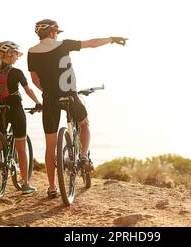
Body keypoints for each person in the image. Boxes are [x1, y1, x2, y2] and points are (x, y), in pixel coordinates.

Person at [27, 19, 127, 198]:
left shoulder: (31, 52)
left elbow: (35, 80)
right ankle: (82, 157)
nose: (57, 35)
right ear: (52, 32)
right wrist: (112, 39)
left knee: (50, 145)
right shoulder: (64, 45)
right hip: (70, 95)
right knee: (84, 124)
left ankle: (52, 188)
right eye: (56, 32)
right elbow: (92, 44)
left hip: (49, 99)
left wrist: (47, 92)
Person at [0, 41, 42, 194]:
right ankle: (25, 184)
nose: (17, 57)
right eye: (16, 54)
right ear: (9, 54)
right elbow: (28, 89)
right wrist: (38, 103)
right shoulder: (17, 72)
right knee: (21, 147)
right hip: (15, 109)